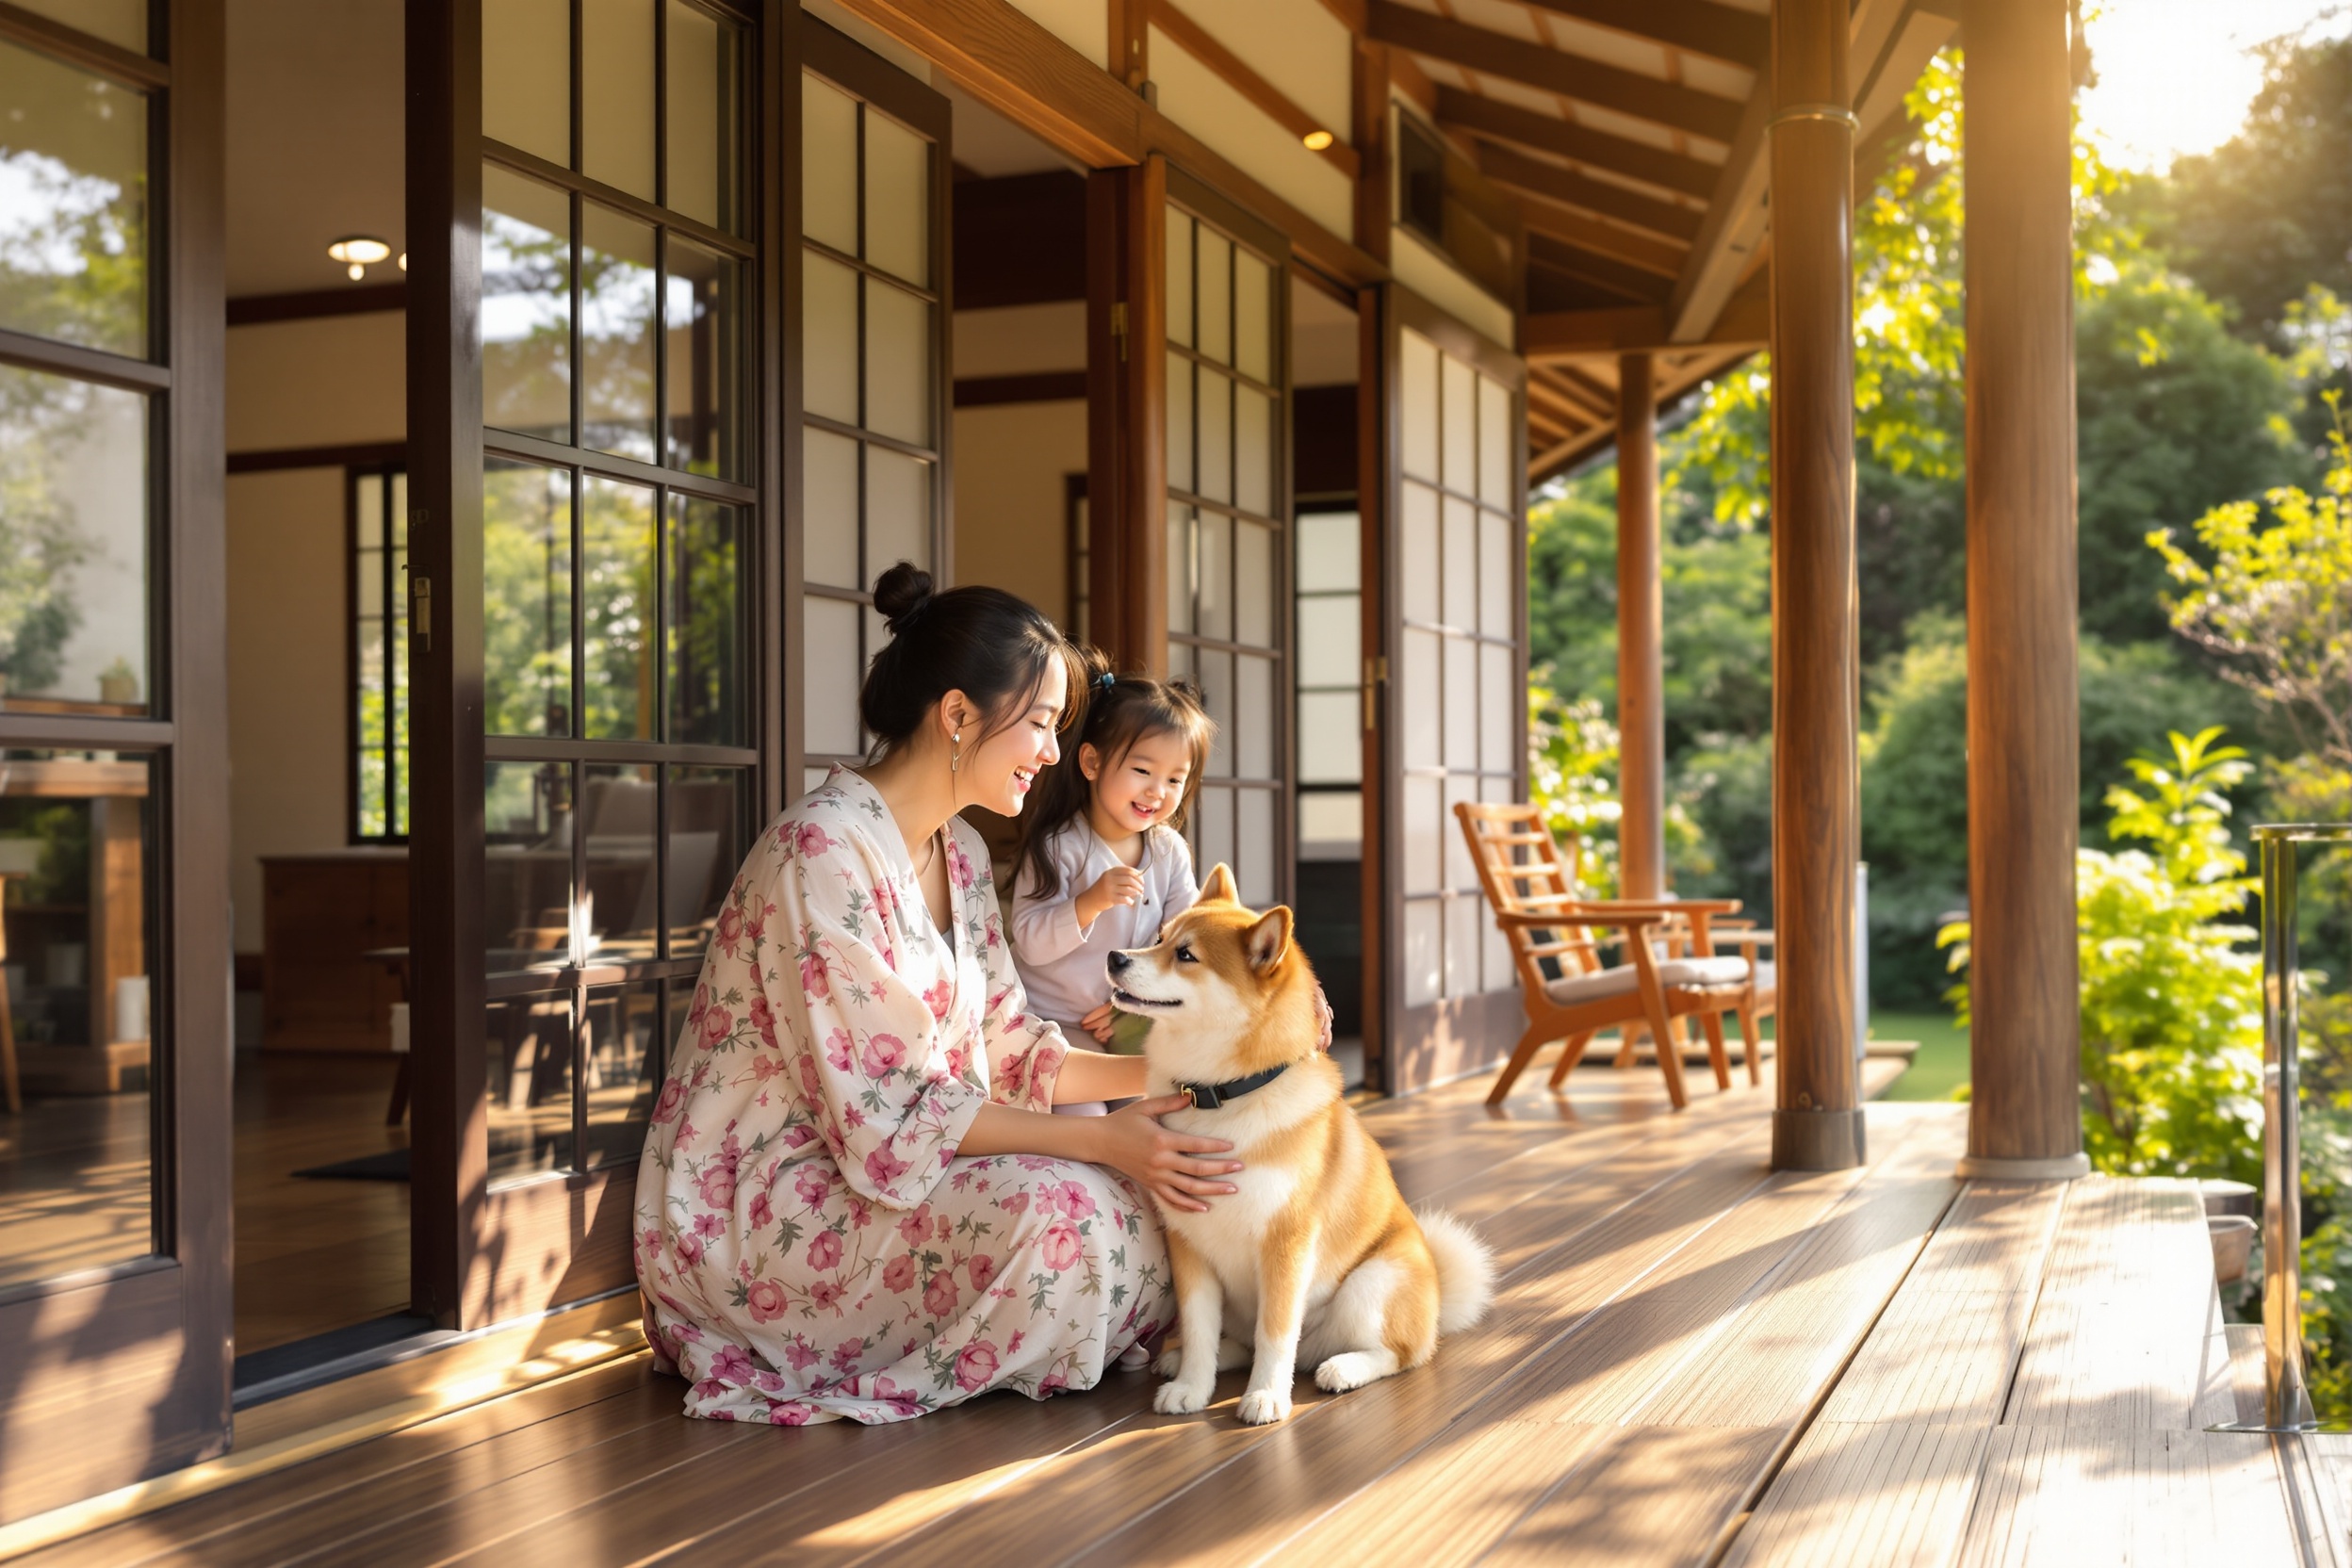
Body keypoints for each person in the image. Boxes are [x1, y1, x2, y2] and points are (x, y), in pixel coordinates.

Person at [632, 564, 1244, 1425]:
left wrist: (1180, 1082)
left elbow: (1007, 1044)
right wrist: (1104, 1145)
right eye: (1038, 723)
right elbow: (891, 1113)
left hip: (898, 1165)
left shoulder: (955, 850)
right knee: (1065, 1210)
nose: (1052, 752)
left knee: (1154, 1194)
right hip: (772, 1205)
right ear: (957, 715)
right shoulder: (823, 853)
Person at [1009, 653, 1216, 1114]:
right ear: (1091, 762)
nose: (1156, 791)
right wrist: (1089, 902)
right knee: (1087, 1121)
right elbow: (1028, 942)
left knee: (1154, 1116)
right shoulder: (1060, 845)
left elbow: (1186, 942)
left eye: (1175, 779)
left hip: (1130, 1021)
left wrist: (1130, 1010)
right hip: (1054, 1023)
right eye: (1142, 771)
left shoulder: (1168, 853)